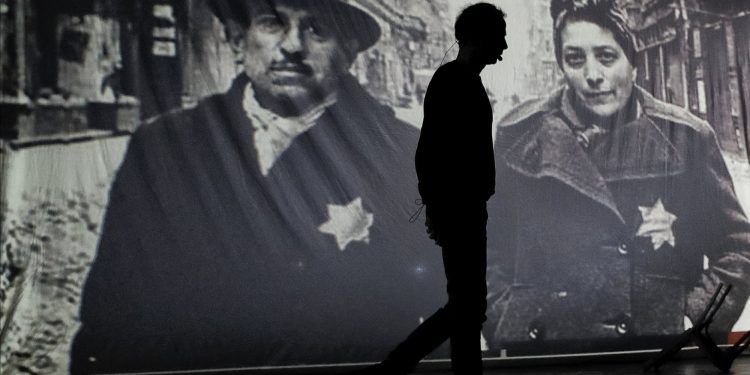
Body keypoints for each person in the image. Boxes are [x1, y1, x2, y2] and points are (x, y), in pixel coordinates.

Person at [69, 0, 445, 373]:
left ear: (349, 51)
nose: (293, 46)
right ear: (236, 39)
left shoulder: (405, 156)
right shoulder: (165, 148)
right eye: (272, 23)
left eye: (317, 30)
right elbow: (112, 321)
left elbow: (440, 324)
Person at [487, 0, 750, 355]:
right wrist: (506, 319)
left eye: (607, 57)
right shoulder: (519, 137)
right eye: (575, 59)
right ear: (562, 65)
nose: (593, 75)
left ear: (633, 64)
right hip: (548, 350)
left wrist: (696, 320)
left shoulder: (686, 138)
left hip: (655, 350)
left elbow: (737, 248)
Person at [358, 4, 507, 374]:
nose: (503, 46)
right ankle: (392, 368)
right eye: (498, 35)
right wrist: (439, 209)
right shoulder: (453, 81)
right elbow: (431, 152)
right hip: (461, 209)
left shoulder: (463, 80)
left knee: (468, 308)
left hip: (466, 208)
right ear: (479, 37)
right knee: (467, 307)